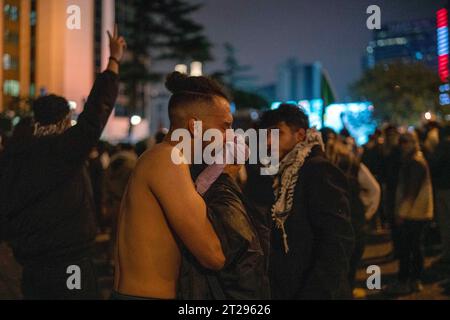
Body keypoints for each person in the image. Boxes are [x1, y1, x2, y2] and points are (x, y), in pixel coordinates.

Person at [0, 25, 126, 299]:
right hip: (69, 261)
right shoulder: (62, 150)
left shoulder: (13, 153)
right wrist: (113, 62)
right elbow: (95, 115)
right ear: (64, 121)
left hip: (28, 263)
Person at [113, 72, 230, 300]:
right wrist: (223, 178)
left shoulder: (164, 158)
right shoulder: (167, 161)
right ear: (194, 126)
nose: (229, 136)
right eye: (225, 126)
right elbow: (213, 254)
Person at [259, 104, 354, 300]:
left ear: (300, 135)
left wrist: (317, 292)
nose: (269, 142)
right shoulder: (280, 173)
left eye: (277, 134)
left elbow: (337, 240)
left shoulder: (318, 170)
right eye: (266, 135)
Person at [325, 137, 380, 297]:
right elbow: (374, 190)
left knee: (341, 270)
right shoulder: (354, 167)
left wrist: (366, 212)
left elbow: (374, 190)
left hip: (345, 224)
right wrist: (366, 213)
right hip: (354, 223)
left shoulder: (331, 169)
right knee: (349, 268)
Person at [387, 132, 434, 295]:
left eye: (405, 142)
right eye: (401, 142)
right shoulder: (414, 160)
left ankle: (406, 281)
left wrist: (401, 213)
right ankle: (414, 280)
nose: (402, 145)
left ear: (413, 143)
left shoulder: (414, 162)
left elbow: (411, 192)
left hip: (413, 213)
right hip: (419, 212)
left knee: (408, 248)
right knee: (415, 247)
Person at [429, 125, 450, 264]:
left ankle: (447, 254)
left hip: (444, 188)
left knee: (445, 224)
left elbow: (434, 164)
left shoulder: (444, 146)